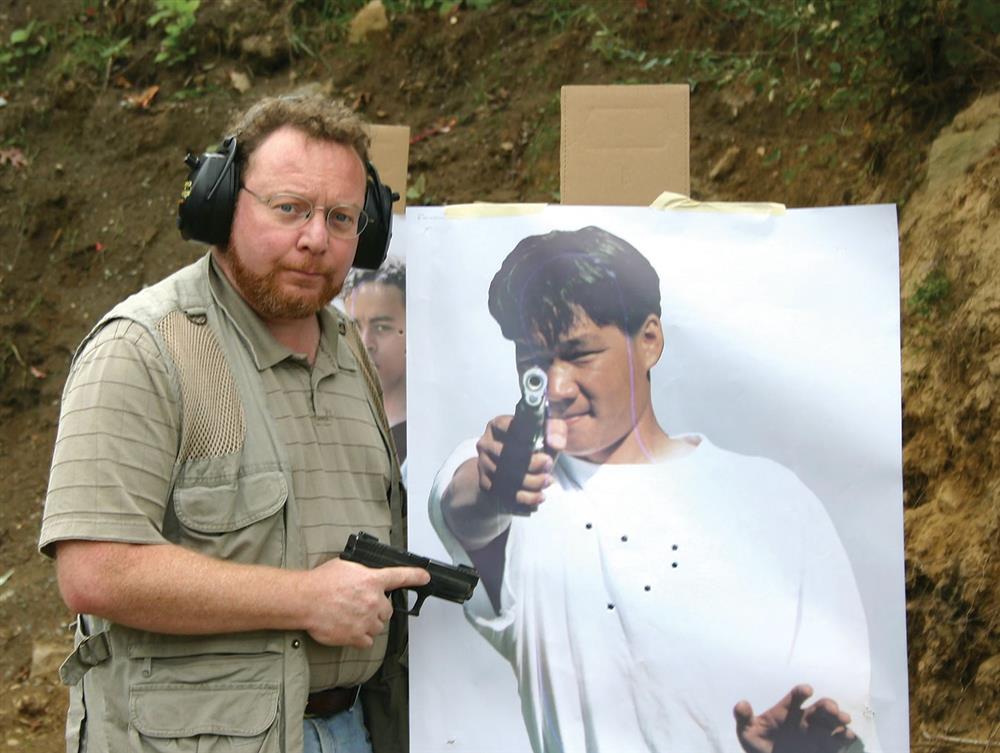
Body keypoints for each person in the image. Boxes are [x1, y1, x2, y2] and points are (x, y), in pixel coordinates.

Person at [39, 95, 430, 753]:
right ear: (219, 206)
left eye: (341, 217)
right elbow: (94, 569)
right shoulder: (142, 348)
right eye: (290, 209)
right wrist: (306, 598)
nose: (316, 238)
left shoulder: (348, 348)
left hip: (355, 725)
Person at [428, 226, 880, 753]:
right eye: (533, 360)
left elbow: (846, 710)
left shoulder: (778, 501)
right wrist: (492, 484)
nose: (556, 388)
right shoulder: (523, 501)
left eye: (578, 354)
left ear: (649, 340)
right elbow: (465, 508)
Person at [341, 259, 407, 471]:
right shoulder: (337, 426)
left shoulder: (425, 436)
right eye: (354, 327)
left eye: (381, 328)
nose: (365, 343)